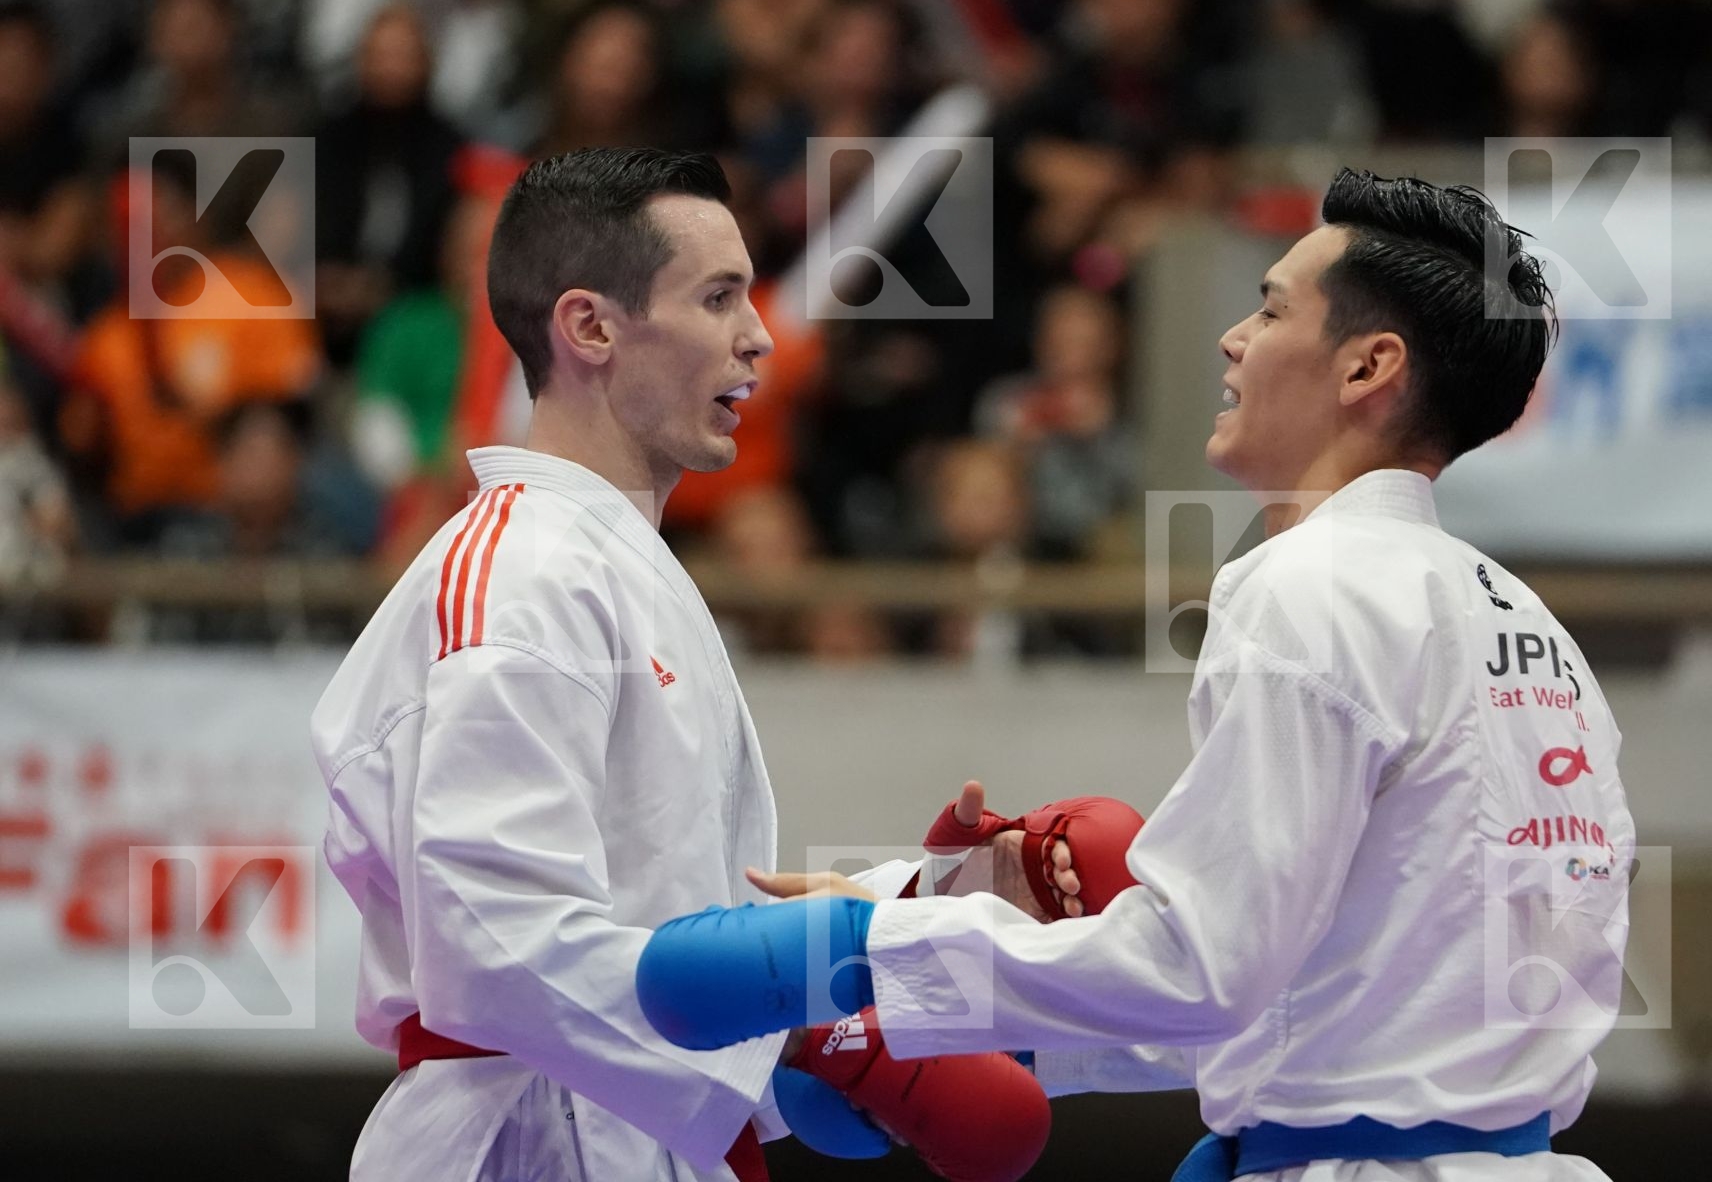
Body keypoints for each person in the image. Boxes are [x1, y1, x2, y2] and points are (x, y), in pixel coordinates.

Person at [635, 169, 1638, 1182]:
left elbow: (1203, 968)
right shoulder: (1530, 628)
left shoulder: (1312, 585)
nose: (1232, 338)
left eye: (1272, 308)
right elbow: (1294, 990)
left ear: (1367, 368)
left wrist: (869, 943)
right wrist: (965, 999)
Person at [310, 147, 1055, 1182]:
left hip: (621, 1133)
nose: (759, 338)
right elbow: (499, 951)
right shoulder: (523, 568)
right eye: (718, 298)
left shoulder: (618, 564)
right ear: (591, 327)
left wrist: (927, 904)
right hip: (523, 1143)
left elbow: (663, 916)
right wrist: (821, 985)